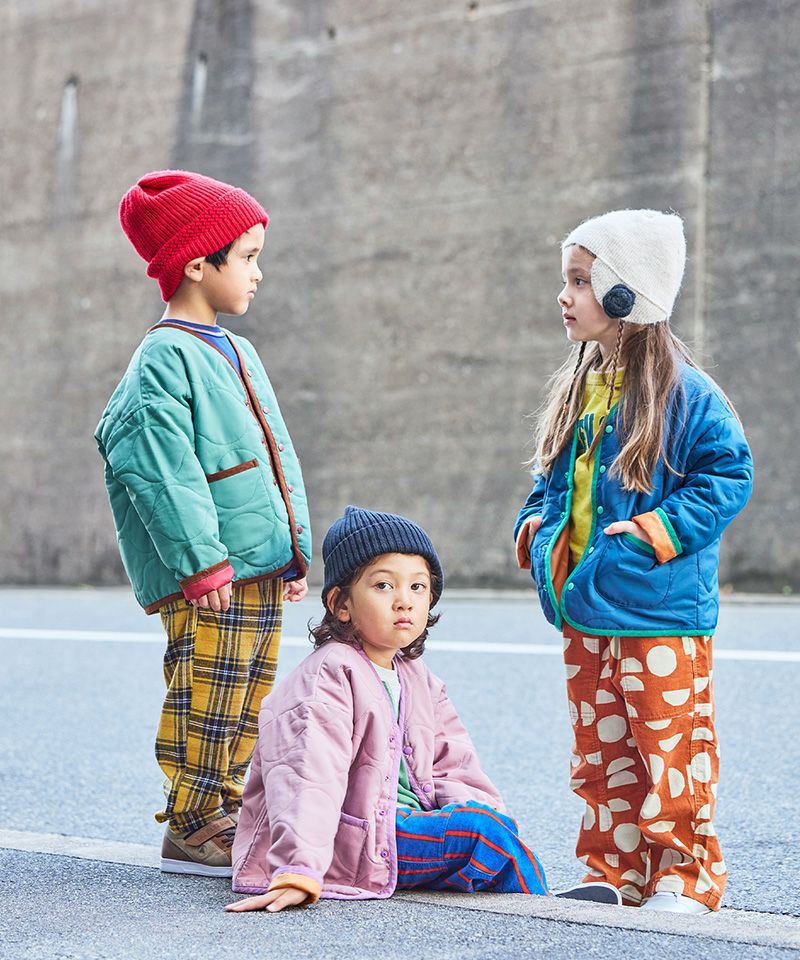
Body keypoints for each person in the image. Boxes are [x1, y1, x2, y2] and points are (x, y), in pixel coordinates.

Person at [514, 209, 753, 914]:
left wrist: (656, 530)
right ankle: (615, 870)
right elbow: (552, 478)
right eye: (568, 281)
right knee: (601, 752)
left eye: (581, 282)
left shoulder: (687, 393)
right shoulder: (581, 384)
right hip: (586, 606)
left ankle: (685, 876)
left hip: (658, 610)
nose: (564, 296)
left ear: (627, 293)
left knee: (669, 747)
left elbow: (728, 475)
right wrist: (534, 522)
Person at [226, 506, 621, 912]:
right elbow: (307, 775)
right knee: (479, 833)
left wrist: (479, 813)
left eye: (418, 587)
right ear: (341, 604)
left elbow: (453, 760)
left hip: (396, 828)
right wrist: (298, 868)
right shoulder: (329, 673)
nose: (404, 602)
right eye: (383, 586)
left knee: (488, 824)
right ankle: (544, 908)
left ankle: (519, 893)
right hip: (346, 842)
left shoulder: (415, 676)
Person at [95, 170, 311, 877]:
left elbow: (274, 455)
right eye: (246, 256)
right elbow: (160, 467)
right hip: (212, 571)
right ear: (196, 263)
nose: (258, 272)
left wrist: (292, 552)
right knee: (207, 692)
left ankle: (225, 805)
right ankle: (191, 822)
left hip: (255, 562)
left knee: (248, 692)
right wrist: (201, 562)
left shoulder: (237, 349)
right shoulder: (163, 357)